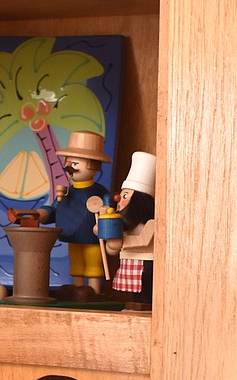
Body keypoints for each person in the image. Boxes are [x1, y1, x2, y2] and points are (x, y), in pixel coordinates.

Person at [38, 131, 110, 297]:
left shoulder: (99, 192)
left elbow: (109, 211)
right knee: (76, 264)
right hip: (71, 235)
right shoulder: (66, 192)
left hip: (93, 238)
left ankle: (94, 291)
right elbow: (56, 209)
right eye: (68, 162)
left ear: (93, 166)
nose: (69, 167)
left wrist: (105, 221)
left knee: (93, 264)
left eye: (75, 163)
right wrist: (44, 213)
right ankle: (77, 289)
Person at [101, 150, 156, 307]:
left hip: (146, 264)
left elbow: (143, 240)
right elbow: (113, 249)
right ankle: (139, 306)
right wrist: (109, 241)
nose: (119, 201)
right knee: (136, 293)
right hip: (129, 262)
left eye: (125, 196)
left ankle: (146, 306)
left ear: (140, 202)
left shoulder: (151, 223)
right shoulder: (123, 225)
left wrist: (120, 242)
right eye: (121, 196)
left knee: (145, 289)